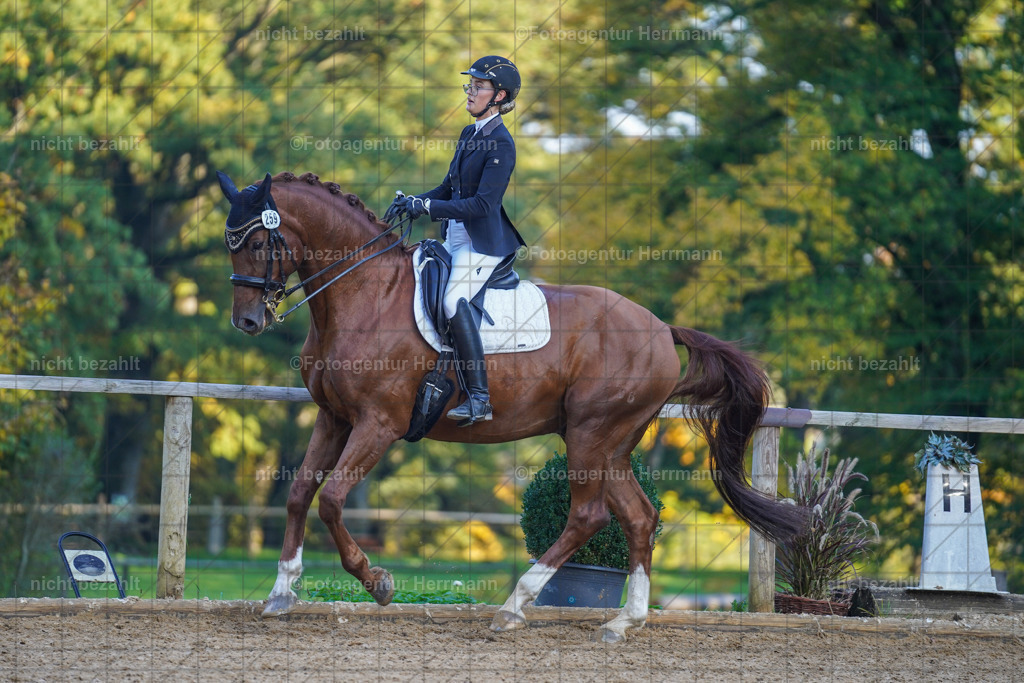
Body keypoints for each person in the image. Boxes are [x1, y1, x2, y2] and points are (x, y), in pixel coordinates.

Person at [401, 56, 526, 426]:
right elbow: (447, 188)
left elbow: (484, 204)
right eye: (468, 85)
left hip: (483, 242)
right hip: (454, 235)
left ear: (499, 95)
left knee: (454, 299)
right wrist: (414, 200)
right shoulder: (468, 134)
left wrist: (431, 207)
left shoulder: (502, 144)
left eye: (477, 86)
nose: (469, 92)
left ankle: (480, 398)